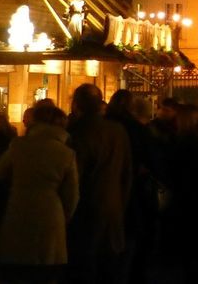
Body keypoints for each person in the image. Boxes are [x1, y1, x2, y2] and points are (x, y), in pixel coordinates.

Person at [0, 100, 79, 283]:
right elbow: (72, 196)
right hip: (51, 215)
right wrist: (64, 218)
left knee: (19, 269)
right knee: (46, 269)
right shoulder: (66, 153)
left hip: (18, 209)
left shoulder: (18, 146)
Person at [66, 83, 132, 284]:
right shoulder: (117, 130)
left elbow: (74, 176)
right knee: (109, 266)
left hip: (86, 208)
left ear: (76, 105)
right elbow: (126, 171)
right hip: (113, 206)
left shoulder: (77, 132)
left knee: (84, 265)